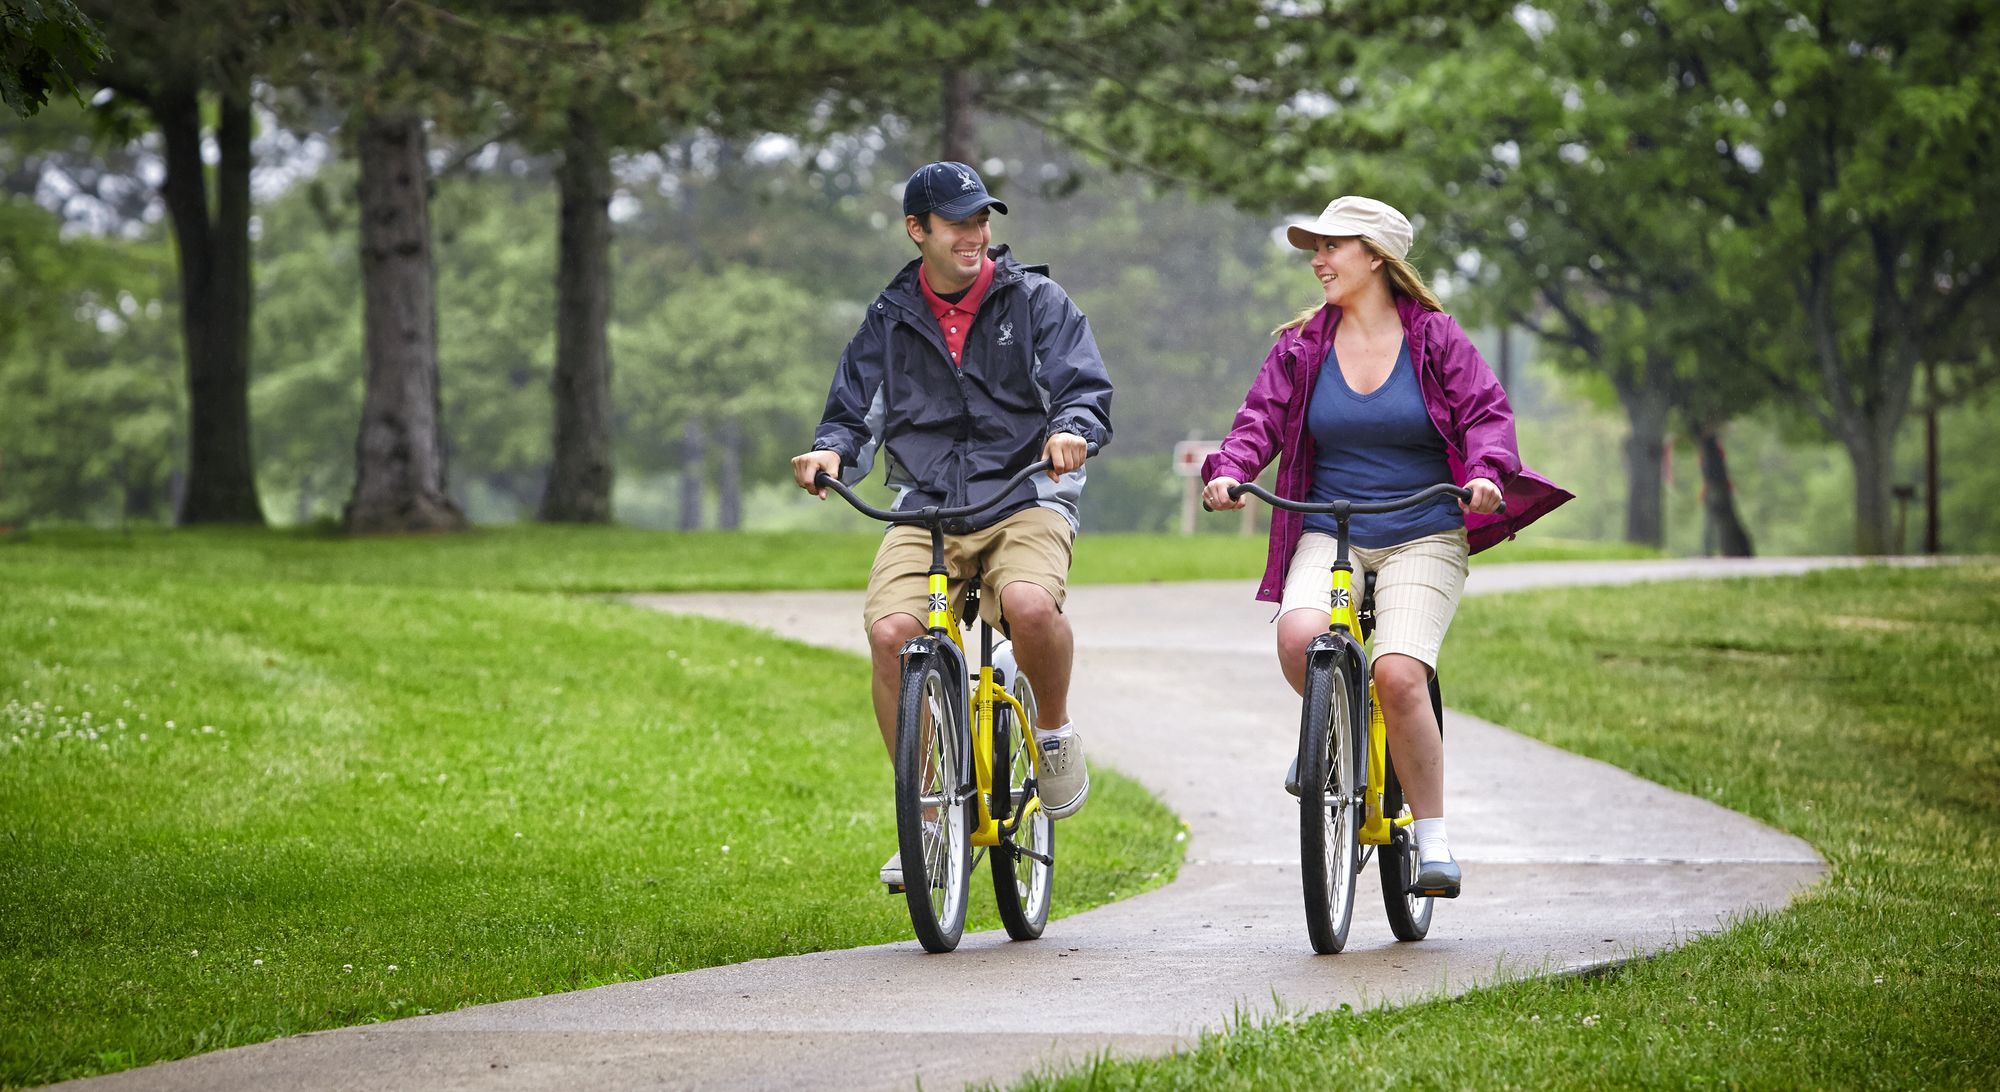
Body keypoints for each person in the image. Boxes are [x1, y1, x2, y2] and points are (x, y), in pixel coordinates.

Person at [1202, 196, 1570, 895]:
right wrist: (1230, 470)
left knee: (1400, 676)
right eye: (1315, 247)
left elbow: (1486, 415)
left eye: (1331, 247)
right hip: (1329, 526)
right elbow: (1258, 421)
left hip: (1423, 527)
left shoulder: (1435, 338)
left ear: (1375, 256)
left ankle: (1432, 840)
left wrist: (1488, 473)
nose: (1318, 260)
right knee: (1299, 638)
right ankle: (1332, 734)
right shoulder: (1302, 345)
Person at [791, 161, 1114, 888]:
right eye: (958, 222)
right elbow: (853, 413)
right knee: (890, 633)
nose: (975, 234)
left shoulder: (1034, 300)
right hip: (927, 503)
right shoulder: (890, 317)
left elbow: (1082, 387)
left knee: (1029, 606)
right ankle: (927, 816)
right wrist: (831, 454)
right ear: (918, 231)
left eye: (982, 220)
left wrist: (1071, 430)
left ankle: (1054, 733)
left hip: (1026, 490)